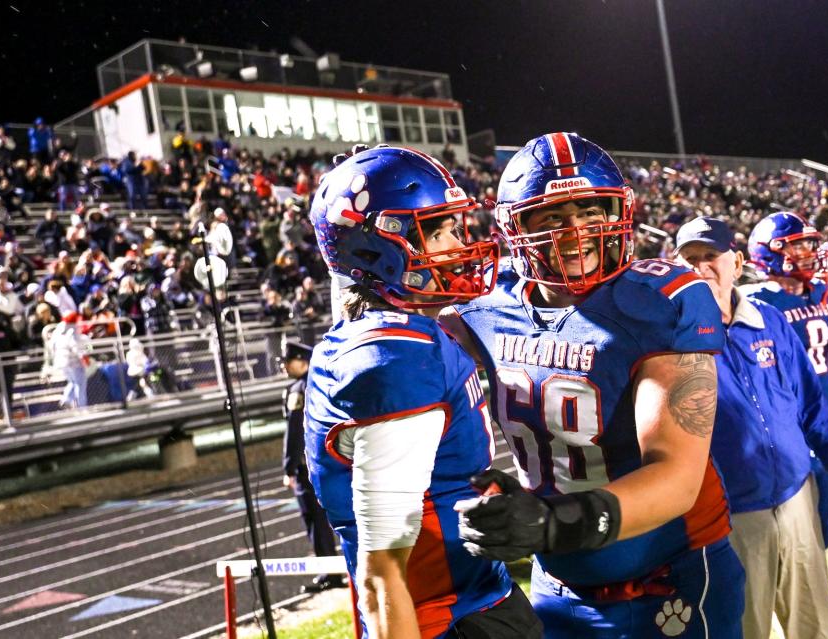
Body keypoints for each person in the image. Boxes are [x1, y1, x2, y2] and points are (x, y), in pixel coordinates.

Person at [447, 133, 743, 639]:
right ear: (516, 229)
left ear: (619, 214)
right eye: (553, 218)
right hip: (557, 582)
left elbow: (677, 476)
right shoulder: (483, 308)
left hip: (669, 576)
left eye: (591, 211)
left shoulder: (661, 300)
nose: (577, 231)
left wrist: (551, 521)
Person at [304, 146, 540, 639]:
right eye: (441, 231)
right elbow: (381, 572)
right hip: (447, 621)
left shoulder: (399, 337)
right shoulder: (397, 357)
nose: (460, 243)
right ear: (379, 250)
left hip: (474, 603)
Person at [674, 216, 828, 639]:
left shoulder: (769, 320)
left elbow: (812, 406)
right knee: (746, 629)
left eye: (711, 256)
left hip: (796, 496)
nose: (701, 267)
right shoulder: (670, 336)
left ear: (737, 262)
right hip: (730, 515)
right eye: (690, 260)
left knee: (816, 626)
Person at [742, 212, 828, 547]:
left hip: (822, 424)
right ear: (771, 252)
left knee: (822, 526)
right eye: (799, 246)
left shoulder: (823, 296)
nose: (810, 251)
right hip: (784, 428)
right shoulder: (755, 303)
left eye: (811, 244)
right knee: (785, 533)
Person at [279, 339, 343, 594]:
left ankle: (330, 572)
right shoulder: (323, 381)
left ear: (302, 361)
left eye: (288, 361)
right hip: (328, 461)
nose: (284, 366)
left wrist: (288, 466)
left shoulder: (299, 388)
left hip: (307, 466)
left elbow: (294, 430)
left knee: (315, 520)